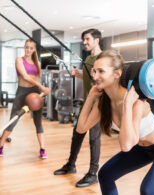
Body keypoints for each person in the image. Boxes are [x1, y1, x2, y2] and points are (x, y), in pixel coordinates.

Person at [76, 50, 154, 195]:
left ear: (117, 74)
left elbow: (126, 145)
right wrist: (90, 97)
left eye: (101, 71)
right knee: (105, 175)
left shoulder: (136, 102)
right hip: (142, 150)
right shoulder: (103, 103)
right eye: (94, 71)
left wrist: (127, 106)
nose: (95, 76)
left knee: (148, 189)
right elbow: (81, 128)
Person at [53, 29, 102, 187]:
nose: (85, 42)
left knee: (94, 138)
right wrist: (79, 74)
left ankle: (93, 173)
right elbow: (91, 76)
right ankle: (71, 165)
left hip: (99, 104)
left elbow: (103, 78)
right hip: (87, 101)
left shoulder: (103, 58)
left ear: (97, 40)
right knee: (77, 133)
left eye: (87, 39)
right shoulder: (88, 58)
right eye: (84, 40)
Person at [0, 39, 50, 159]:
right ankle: (0, 146)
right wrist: (42, 87)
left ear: (34, 50)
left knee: (38, 122)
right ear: (24, 48)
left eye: (31, 48)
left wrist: (42, 90)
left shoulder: (38, 63)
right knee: (13, 121)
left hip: (35, 92)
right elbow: (25, 76)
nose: (28, 50)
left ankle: (42, 149)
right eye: (27, 47)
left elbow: (37, 79)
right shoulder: (19, 60)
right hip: (22, 92)